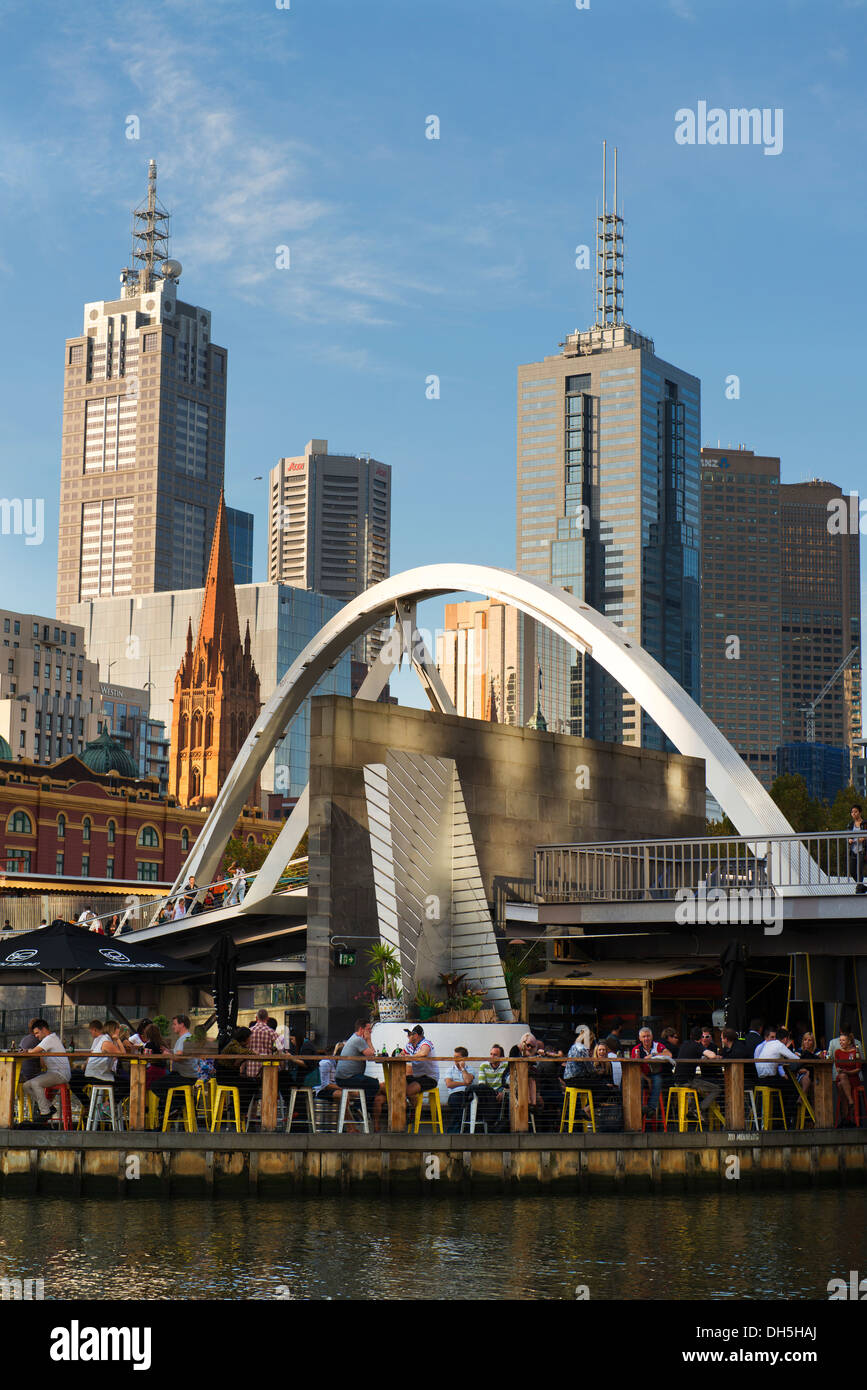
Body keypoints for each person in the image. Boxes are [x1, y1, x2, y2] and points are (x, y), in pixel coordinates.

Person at [22, 1019, 72, 1123]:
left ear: (44, 1030)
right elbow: (43, 1064)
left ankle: (45, 1112)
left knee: (35, 1083)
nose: (35, 1036)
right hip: (53, 1072)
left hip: (60, 1073)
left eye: (37, 1033)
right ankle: (49, 1106)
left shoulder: (50, 1038)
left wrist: (28, 1050)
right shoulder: (48, 1040)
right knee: (26, 1085)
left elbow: (33, 1052)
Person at [149, 1015, 198, 1119]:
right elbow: (179, 1055)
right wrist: (169, 1052)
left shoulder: (185, 1038)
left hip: (184, 1076)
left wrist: (168, 1055)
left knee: (155, 1086)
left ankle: (175, 1106)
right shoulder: (185, 1038)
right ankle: (175, 1108)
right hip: (187, 1075)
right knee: (163, 1086)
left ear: (182, 1025)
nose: (172, 1026)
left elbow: (179, 1058)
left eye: (175, 1024)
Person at [335, 1019, 382, 1127]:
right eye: (368, 1029)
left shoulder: (354, 1038)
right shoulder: (358, 1040)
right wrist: (369, 1040)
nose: (370, 1032)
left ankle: (362, 1109)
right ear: (361, 1029)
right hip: (347, 1078)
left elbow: (370, 1056)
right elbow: (371, 1055)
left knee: (371, 1085)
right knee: (374, 1084)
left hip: (345, 1077)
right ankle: (358, 1107)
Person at [69, 1019, 123, 1107]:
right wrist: (118, 1040)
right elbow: (122, 1055)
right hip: (98, 1075)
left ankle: (95, 1106)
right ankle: (104, 1107)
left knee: (72, 1078)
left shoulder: (105, 1040)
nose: (119, 1030)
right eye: (118, 1028)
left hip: (96, 1073)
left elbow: (121, 1055)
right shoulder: (106, 1042)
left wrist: (117, 1040)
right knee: (127, 1083)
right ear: (113, 1030)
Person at [674, 1026, 721, 1117]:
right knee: (716, 1089)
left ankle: (691, 1109)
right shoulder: (697, 1046)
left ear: (690, 1035)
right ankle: (699, 1109)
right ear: (700, 1037)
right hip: (687, 1081)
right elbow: (712, 1055)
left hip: (677, 1080)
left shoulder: (685, 1044)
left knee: (696, 1083)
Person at [400, 1024, 441, 1113]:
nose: (407, 1036)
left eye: (409, 1034)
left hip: (430, 1077)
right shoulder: (409, 1045)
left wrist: (410, 1057)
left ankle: (415, 1113)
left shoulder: (426, 1043)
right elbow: (401, 1054)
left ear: (415, 1035)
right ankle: (407, 1110)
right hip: (417, 1076)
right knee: (399, 1084)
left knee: (408, 1091)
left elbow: (424, 1053)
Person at [833, 1029, 863, 1124]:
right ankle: (851, 1102)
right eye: (840, 1040)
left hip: (853, 1078)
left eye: (843, 1040)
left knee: (841, 1084)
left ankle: (845, 1119)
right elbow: (837, 1068)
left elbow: (858, 1069)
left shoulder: (856, 1052)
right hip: (843, 1077)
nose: (841, 1042)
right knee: (842, 1077)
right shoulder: (837, 1052)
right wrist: (843, 1072)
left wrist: (847, 1072)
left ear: (849, 1041)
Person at [444, 1046, 475, 1132]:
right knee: (457, 1102)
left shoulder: (470, 1070)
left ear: (464, 1058)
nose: (455, 1059)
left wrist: (463, 1069)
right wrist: (464, 1083)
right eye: (454, 1057)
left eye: (457, 1057)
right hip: (455, 1095)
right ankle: (460, 1129)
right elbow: (449, 1084)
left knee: (465, 1104)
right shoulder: (449, 1070)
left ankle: (454, 1130)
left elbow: (468, 1080)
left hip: (466, 1094)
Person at [16, 1018, 42, 1087]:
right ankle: (47, 1097)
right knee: (54, 1077)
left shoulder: (24, 1039)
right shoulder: (40, 1040)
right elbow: (43, 1063)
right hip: (33, 1075)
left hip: (20, 1073)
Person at [847, 805, 867, 886]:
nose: (854, 814)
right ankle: (861, 886)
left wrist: (864, 838)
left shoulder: (865, 823)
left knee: (859, 871)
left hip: (862, 850)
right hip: (853, 850)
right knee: (852, 871)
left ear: (860, 812)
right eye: (852, 812)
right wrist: (849, 840)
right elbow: (847, 835)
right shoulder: (851, 824)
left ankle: (859, 889)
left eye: (856, 811)